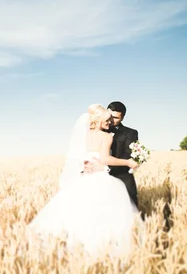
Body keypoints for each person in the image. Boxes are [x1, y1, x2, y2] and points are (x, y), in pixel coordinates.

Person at [27, 105, 140, 259]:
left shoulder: (85, 135)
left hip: (84, 179)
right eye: (107, 120)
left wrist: (84, 165)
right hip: (101, 178)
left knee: (83, 213)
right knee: (105, 216)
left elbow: (79, 157)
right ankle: (104, 251)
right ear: (100, 120)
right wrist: (128, 163)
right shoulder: (107, 137)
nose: (110, 122)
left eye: (112, 119)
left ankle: (79, 249)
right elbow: (106, 159)